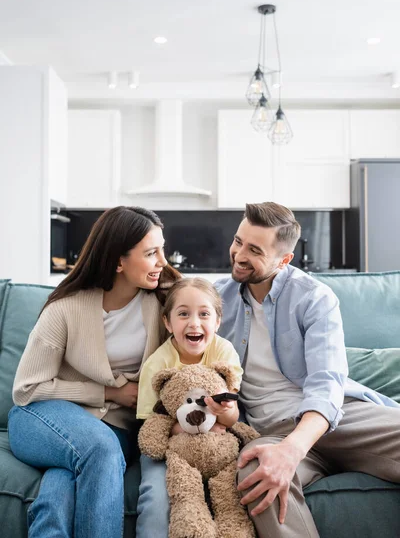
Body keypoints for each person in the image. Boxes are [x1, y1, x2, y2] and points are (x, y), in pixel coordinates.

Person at [214, 201, 400, 538]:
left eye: (254, 250)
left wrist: (293, 449)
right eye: (238, 241)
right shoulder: (215, 301)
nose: (239, 255)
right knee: (256, 475)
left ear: (283, 260)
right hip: (271, 429)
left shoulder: (313, 297)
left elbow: (326, 382)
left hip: (338, 417)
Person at [8, 206, 181, 538]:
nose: (162, 260)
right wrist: (110, 393)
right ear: (118, 260)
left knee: (64, 479)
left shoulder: (162, 304)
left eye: (162, 249)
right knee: (100, 450)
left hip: (112, 427)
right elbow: (27, 389)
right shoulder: (65, 309)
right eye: (150, 253)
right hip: (40, 418)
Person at [136, 276, 243, 430]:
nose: (194, 323)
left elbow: (231, 419)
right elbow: (150, 424)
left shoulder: (224, 352)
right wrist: (188, 429)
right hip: (174, 438)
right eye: (184, 314)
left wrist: (224, 410)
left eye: (204, 314)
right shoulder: (156, 364)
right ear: (168, 323)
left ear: (217, 322)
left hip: (216, 435)